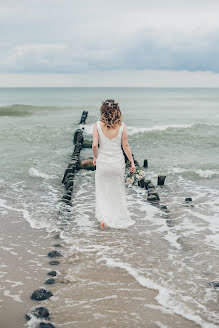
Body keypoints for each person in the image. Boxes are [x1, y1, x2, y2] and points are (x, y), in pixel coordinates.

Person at [92, 99, 136, 230]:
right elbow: (126, 146)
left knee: (102, 190)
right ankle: (116, 216)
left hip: (103, 163)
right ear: (117, 111)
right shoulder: (122, 126)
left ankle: (104, 218)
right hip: (117, 163)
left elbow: (95, 145)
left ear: (102, 110)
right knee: (117, 190)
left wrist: (95, 157)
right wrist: (132, 162)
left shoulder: (97, 125)